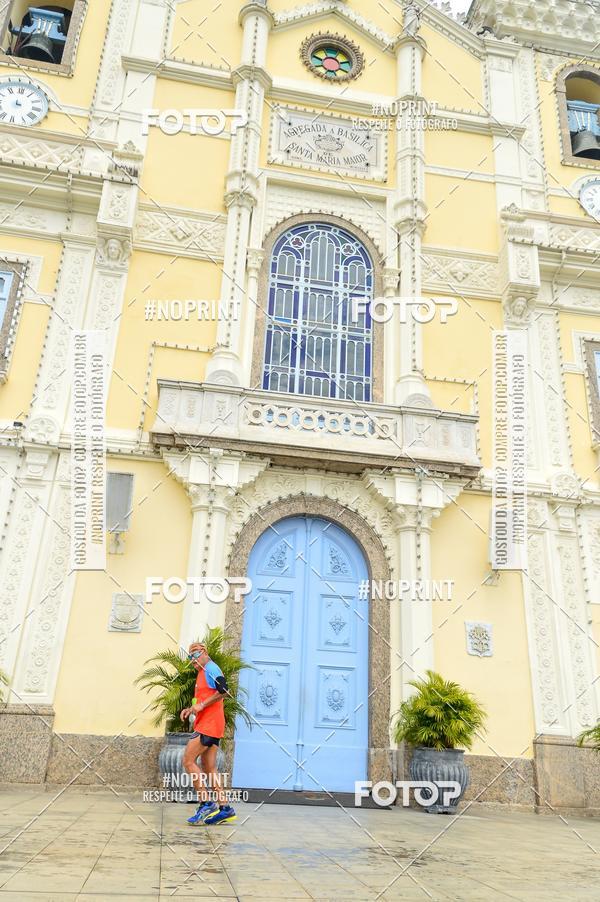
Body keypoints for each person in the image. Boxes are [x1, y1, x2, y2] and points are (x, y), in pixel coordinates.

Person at [180, 642, 236, 825]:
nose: (192, 661)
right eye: (190, 658)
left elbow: (225, 691)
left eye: (194, 656)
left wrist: (202, 706)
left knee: (188, 761)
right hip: (209, 723)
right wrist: (192, 709)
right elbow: (203, 700)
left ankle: (206, 803)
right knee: (209, 767)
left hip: (209, 725)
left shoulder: (211, 668)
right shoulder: (202, 672)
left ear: (203, 652)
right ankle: (225, 808)